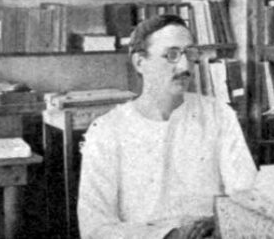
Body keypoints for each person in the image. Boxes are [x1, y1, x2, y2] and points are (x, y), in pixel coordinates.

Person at [78, 14, 256, 239]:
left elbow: (246, 196)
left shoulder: (219, 115)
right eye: (171, 55)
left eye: (189, 54)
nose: (184, 65)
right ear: (140, 62)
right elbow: (96, 229)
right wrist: (171, 235)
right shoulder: (106, 131)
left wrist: (220, 222)